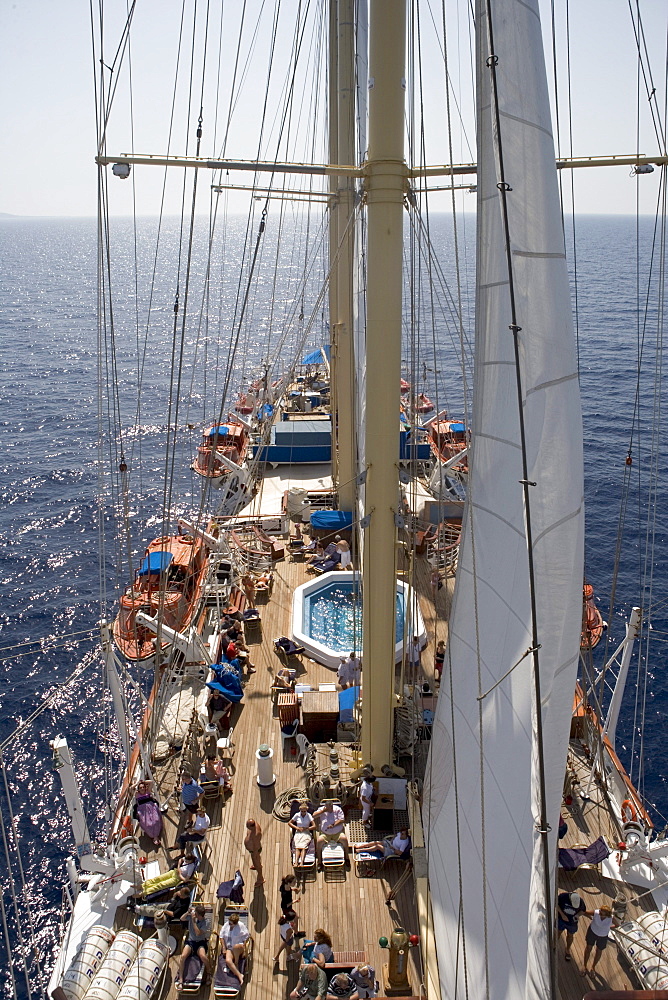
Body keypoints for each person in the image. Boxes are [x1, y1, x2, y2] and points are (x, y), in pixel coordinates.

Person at [175, 904, 210, 990]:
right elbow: (181, 918)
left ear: (201, 915)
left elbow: (198, 933)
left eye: (197, 915)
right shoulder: (191, 917)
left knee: (203, 956)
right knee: (183, 956)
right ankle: (181, 979)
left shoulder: (206, 922)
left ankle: (209, 973)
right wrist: (188, 913)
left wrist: (194, 922)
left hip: (200, 942)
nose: (195, 915)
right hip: (191, 941)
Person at [581, 905, 617, 975]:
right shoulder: (596, 913)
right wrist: (589, 917)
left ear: (607, 915)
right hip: (592, 932)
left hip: (603, 936)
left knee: (599, 951)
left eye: (602, 913)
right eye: (600, 912)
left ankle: (593, 967)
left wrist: (608, 927)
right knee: (588, 948)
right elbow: (584, 912)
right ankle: (584, 965)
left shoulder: (611, 918)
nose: (599, 913)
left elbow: (617, 925)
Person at [313, 801, 349, 866]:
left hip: (337, 833)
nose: (330, 809)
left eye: (331, 807)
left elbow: (342, 820)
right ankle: (319, 861)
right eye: (328, 808)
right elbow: (314, 816)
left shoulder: (337, 809)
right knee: (319, 841)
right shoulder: (322, 809)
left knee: (344, 839)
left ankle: (347, 858)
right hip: (325, 834)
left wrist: (333, 825)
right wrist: (322, 811)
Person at [220, 911, 250, 984]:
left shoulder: (241, 926)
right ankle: (239, 975)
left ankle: (236, 963)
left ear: (235, 923)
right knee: (228, 961)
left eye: (231, 923)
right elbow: (221, 936)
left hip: (239, 947)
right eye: (229, 922)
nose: (229, 924)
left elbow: (247, 937)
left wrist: (245, 950)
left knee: (236, 947)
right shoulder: (226, 925)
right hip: (229, 948)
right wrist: (224, 947)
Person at [557, 890, 586, 961]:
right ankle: (554, 946)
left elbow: (583, 910)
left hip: (572, 922)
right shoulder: (563, 897)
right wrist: (562, 915)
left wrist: (578, 915)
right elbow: (556, 905)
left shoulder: (580, 901)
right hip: (561, 920)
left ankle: (567, 949)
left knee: (570, 935)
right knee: (558, 932)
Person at [244, 818, 264, 884]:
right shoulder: (255, 825)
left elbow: (255, 846)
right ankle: (257, 865)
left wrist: (255, 855)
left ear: (251, 826)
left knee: (257, 864)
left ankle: (260, 878)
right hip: (254, 850)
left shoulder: (255, 835)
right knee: (256, 861)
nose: (246, 825)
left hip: (255, 851)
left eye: (247, 825)